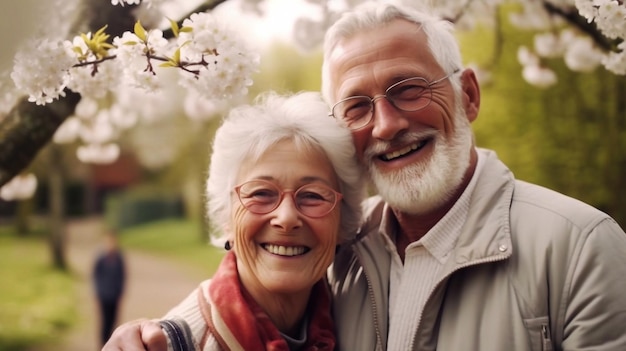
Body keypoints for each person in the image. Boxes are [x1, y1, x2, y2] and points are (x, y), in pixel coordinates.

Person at [103, 1, 626, 350]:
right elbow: (249, 288)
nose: (388, 124)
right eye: (356, 106)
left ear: (468, 94)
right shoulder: (344, 241)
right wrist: (164, 334)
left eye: (409, 89)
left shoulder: (580, 248)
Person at [103, 91, 364, 350]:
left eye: (313, 196)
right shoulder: (169, 345)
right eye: (261, 193)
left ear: (342, 220)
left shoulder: (363, 322)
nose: (286, 218)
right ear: (226, 216)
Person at [93, 230, 126, 346]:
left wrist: (120, 291)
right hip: (104, 295)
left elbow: (122, 276)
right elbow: (96, 276)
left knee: (113, 321)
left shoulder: (119, 258)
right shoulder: (101, 258)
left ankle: (111, 344)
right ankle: (103, 345)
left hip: (115, 295)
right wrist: (98, 292)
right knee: (105, 321)